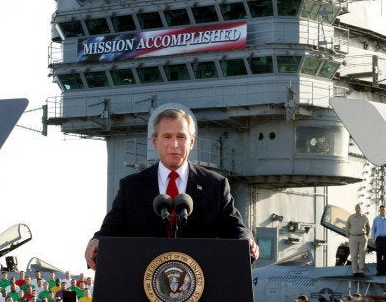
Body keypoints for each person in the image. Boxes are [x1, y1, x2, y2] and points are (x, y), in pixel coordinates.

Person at [84, 108, 259, 270]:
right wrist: (96, 240)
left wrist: (247, 239)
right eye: (167, 136)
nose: (174, 144)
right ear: (155, 141)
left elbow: (235, 228)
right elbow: (111, 231)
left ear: (191, 142)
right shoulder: (131, 187)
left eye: (181, 137)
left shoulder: (215, 185)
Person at [346, 203, 370, 277]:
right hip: (353, 237)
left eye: (359, 208)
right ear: (355, 209)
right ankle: (355, 271)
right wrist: (348, 236)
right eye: (357, 208)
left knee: (362, 255)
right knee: (354, 255)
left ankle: (361, 271)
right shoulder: (351, 217)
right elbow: (347, 226)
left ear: (361, 209)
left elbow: (368, 227)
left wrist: (366, 236)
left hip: (362, 237)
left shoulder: (365, 217)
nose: (358, 209)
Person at [371, 205, 386, 276]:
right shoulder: (376, 219)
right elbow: (373, 230)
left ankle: (385, 271)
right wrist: (373, 239)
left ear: (385, 211)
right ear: (379, 211)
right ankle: (379, 271)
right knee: (378, 255)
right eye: (381, 210)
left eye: (384, 210)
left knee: (385, 256)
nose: (382, 211)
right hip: (379, 239)